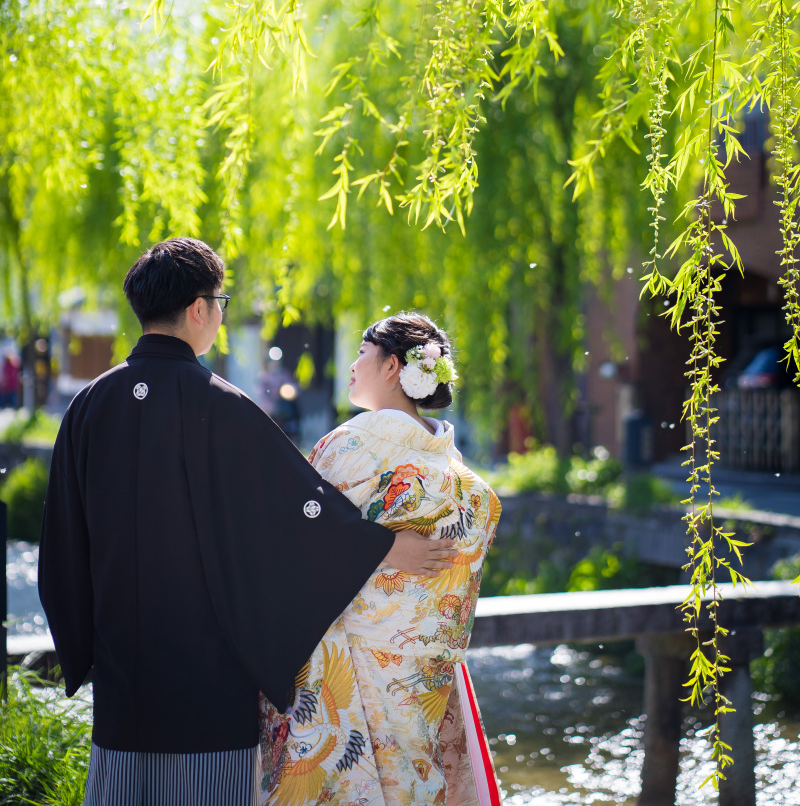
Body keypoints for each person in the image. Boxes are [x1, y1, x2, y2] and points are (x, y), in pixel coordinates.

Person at [38, 240, 453, 806]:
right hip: (207, 674)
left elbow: (61, 541)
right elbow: (294, 512)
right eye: (220, 301)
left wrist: (84, 648)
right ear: (198, 310)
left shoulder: (89, 404)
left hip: (121, 672)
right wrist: (379, 545)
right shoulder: (222, 407)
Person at [260, 312, 502, 806]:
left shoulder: (351, 446)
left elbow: (292, 542)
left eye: (362, 354)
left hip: (349, 669)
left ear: (393, 366)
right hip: (425, 675)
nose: (352, 365)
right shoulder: (468, 484)